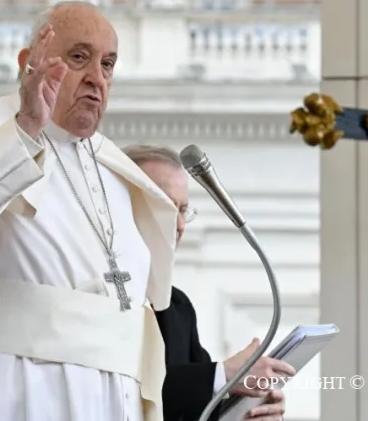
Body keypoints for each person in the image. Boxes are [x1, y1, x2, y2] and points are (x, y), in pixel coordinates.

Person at [0, 1, 178, 421]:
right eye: (78, 57)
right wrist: (26, 129)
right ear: (27, 63)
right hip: (1, 393)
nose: (96, 78)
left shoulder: (114, 168)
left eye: (107, 65)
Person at [122, 145, 295, 421]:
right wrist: (226, 373)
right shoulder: (97, 294)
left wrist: (247, 411)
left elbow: (196, 406)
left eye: (184, 210)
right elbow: (126, 392)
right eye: (167, 206)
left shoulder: (178, 306)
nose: (180, 225)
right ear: (122, 206)